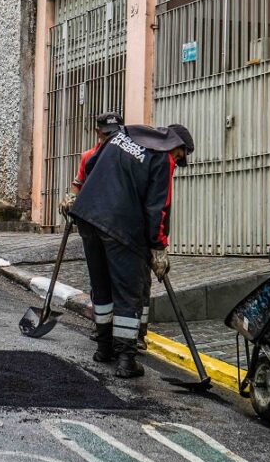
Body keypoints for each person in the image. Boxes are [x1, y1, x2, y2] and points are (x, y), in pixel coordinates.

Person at [69, 123, 193, 378]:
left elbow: (90, 166)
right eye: (179, 156)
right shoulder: (162, 158)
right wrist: (158, 247)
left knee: (102, 288)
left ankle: (103, 349)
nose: (176, 161)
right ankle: (126, 359)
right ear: (175, 145)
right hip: (122, 229)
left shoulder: (120, 137)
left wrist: (75, 199)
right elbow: (157, 208)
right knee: (129, 292)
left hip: (87, 217)